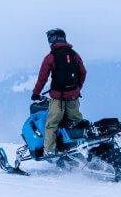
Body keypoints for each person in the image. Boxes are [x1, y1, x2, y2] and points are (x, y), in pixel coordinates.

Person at [32, 28, 87, 157]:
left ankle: (49, 152)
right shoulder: (74, 54)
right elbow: (83, 72)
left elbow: (42, 78)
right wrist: (77, 89)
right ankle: (82, 147)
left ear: (52, 40)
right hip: (73, 96)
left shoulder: (50, 57)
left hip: (57, 98)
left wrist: (36, 93)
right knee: (77, 122)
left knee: (51, 125)